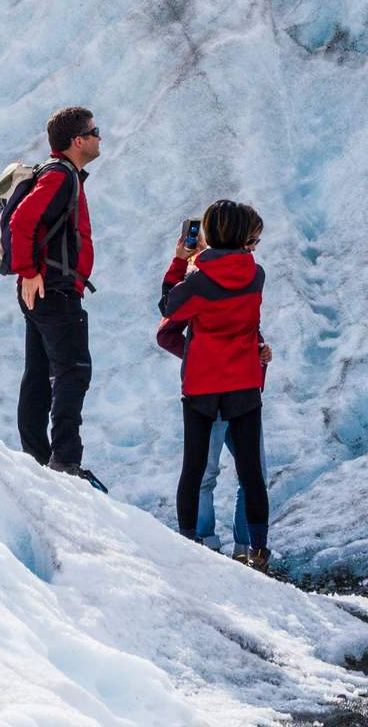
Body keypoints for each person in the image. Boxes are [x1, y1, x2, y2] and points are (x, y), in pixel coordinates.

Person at [159, 200, 271, 571]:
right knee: (251, 471)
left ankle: (191, 541)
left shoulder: (198, 281)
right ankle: (257, 550)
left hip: (203, 384)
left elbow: (168, 308)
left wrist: (181, 262)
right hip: (243, 383)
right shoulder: (256, 276)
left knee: (194, 469)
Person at [11, 106, 102, 485]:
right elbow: (22, 221)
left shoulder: (63, 176)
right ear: (78, 141)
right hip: (53, 289)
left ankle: (37, 455)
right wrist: (29, 271)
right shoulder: (60, 176)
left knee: (39, 372)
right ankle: (64, 459)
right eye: (96, 132)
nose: (100, 137)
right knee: (73, 370)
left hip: (46, 287)